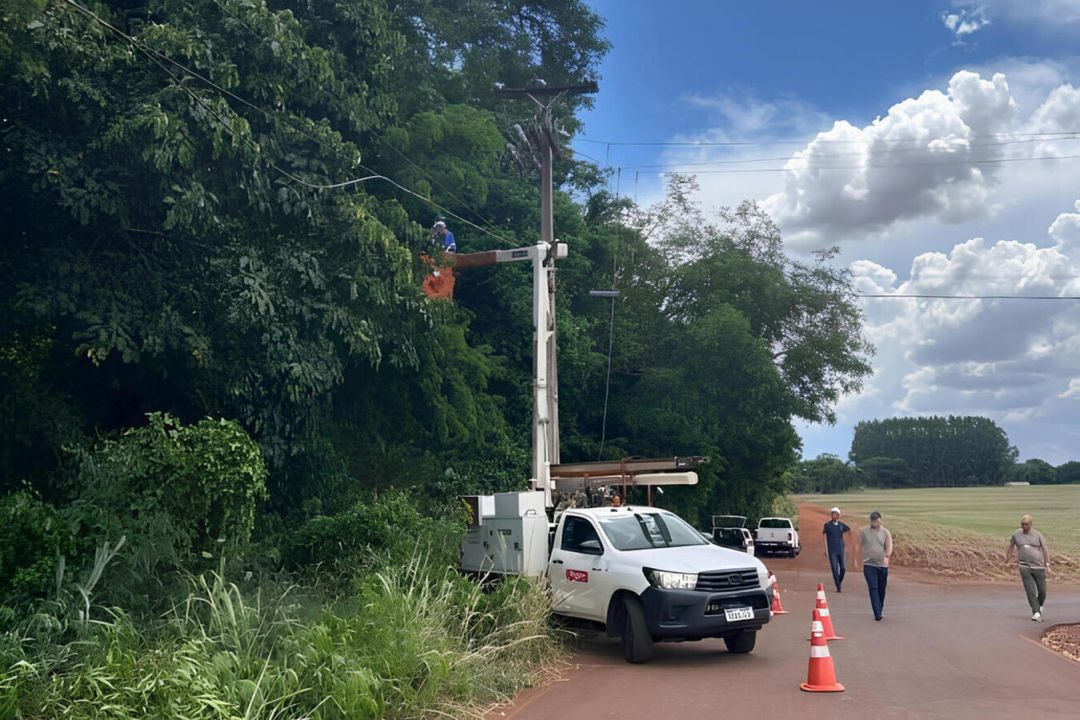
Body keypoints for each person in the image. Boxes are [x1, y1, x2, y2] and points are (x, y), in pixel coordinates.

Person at [1005, 514, 1051, 621]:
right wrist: (1008, 559)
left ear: (1031, 524)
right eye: (1023, 524)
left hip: (1038, 566)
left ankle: (1038, 605)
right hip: (1024, 566)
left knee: (1042, 591)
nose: (1024, 526)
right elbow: (1011, 546)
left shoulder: (1037, 535)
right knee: (1030, 590)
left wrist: (1047, 564)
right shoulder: (1016, 534)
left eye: (1026, 524)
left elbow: (1045, 549)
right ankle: (1036, 612)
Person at [857, 511, 893, 621]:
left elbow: (889, 546)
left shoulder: (885, 532)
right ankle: (877, 613)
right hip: (869, 564)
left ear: (880, 520)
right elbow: (858, 545)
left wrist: (887, 556)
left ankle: (879, 609)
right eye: (872, 520)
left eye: (876, 520)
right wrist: (855, 559)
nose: (874, 522)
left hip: (882, 565)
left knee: (881, 589)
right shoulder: (863, 531)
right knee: (873, 588)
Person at [822, 507, 851, 593]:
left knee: (843, 568)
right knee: (834, 569)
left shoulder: (841, 525)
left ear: (838, 515)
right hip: (832, 550)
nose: (833, 515)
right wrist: (826, 549)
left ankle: (838, 581)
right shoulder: (827, 525)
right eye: (832, 514)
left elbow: (849, 530)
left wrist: (848, 545)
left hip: (841, 550)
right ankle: (838, 587)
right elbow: (824, 536)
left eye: (835, 514)